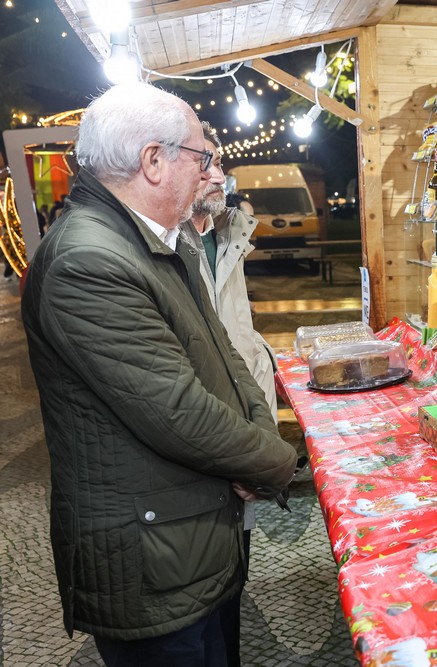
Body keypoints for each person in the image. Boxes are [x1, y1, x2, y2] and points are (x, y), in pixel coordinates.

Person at [20, 82, 297, 667]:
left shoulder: (155, 242)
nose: (209, 174)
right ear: (153, 160)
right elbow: (177, 410)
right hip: (151, 557)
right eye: (200, 157)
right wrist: (275, 463)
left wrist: (259, 432)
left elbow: (226, 353)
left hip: (188, 535)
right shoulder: (88, 259)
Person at [179, 124, 277, 666]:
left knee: (235, 576)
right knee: (203, 600)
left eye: (220, 163)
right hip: (203, 447)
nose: (219, 175)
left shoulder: (229, 233)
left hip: (243, 431)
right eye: (206, 163)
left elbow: (240, 338)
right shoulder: (166, 245)